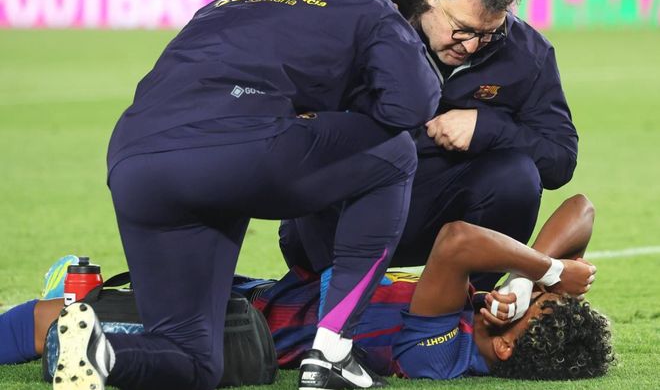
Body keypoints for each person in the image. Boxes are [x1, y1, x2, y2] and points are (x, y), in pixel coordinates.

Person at [49, 0, 441, 389]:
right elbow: (413, 104)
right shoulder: (368, 3)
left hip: (136, 161)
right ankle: (333, 352)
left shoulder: (229, 1)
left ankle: (100, 352)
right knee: (395, 153)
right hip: (236, 155)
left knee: (194, 359)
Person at [1, 195, 613, 382]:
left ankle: (83, 316)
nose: (527, 298)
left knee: (54, 319)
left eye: (535, 308)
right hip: (267, 295)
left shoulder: (442, 351)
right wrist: (529, 278)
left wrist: (545, 272)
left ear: (505, 347)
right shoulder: (487, 317)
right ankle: (86, 303)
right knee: (102, 293)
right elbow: (581, 210)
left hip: (242, 328)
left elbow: (455, 240)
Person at [281, 0, 579, 292]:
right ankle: (332, 286)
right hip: (344, 209)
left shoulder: (528, 53)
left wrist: (487, 127)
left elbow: (560, 159)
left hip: (435, 210)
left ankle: (467, 302)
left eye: (489, 34)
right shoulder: (371, 20)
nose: (472, 46)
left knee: (517, 177)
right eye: (462, 29)